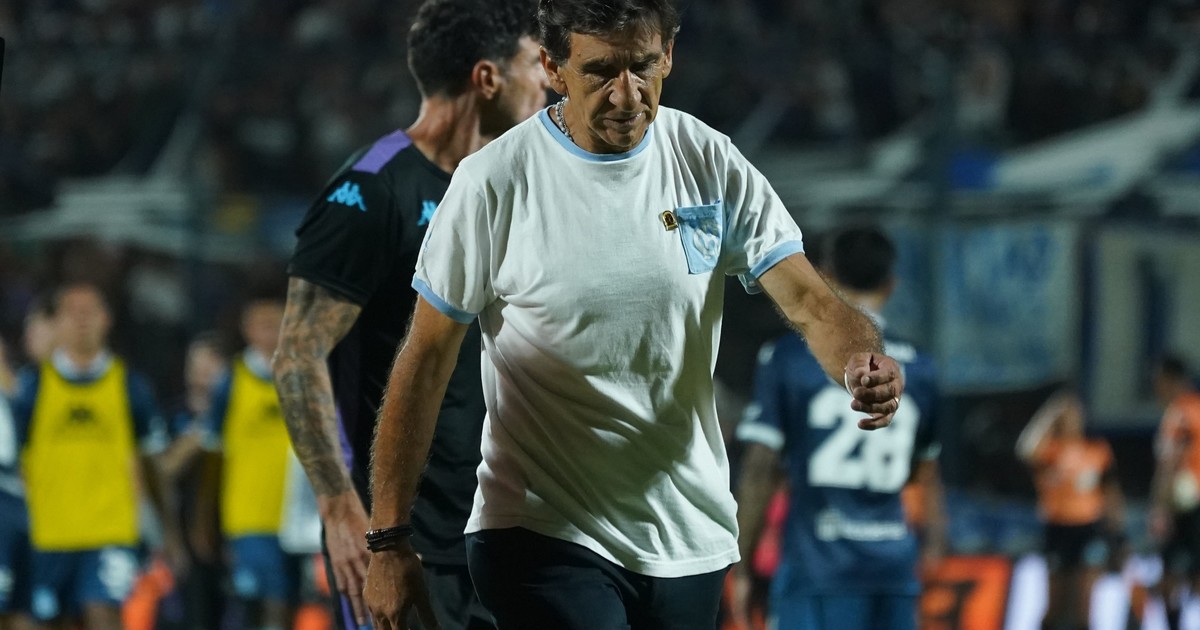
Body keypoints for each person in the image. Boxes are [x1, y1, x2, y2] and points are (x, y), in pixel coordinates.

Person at [361, 2, 906, 628]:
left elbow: (811, 301)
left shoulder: (708, 161)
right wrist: (388, 540)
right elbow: (425, 359)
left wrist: (861, 358)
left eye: (643, 66)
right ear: (553, 68)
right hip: (540, 529)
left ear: (668, 55)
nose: (627, 93)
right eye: (600, 71)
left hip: (688, 534)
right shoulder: (495, 181)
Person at [271, 1, 548, 627]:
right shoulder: (371, 189)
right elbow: (297, 354)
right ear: (488, 78)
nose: (549, 80)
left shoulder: (516, 186)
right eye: (536, 62)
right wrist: (339, 508)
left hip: (509, 530)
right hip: (402, 544)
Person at [730, 226, 944, 630]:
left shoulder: (789, 357)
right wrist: (933, 544)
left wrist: (742, 563)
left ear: (824, 277)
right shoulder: (920, 367)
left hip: (817, 568)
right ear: (890, 284)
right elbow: (926, 472)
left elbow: (761, 466)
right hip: (893, 571)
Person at [9, 283, 185, 630]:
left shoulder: (130, 386)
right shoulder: (32, 388)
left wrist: (169, 533)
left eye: (89, 311)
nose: (81, 320)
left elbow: (151, 465)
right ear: (57, 322)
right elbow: (16, 464)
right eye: (72, 312)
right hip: (49, 535)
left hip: (111, 531)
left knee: (103, 616)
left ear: (107, 319)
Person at [192, 298, 317, 630]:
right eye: (262, 324)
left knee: (293, 603)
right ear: (247, 329)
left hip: (299, 516)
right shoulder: (231, 381)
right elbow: (214, 453)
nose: (269, 331)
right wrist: (206, 516)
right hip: (250, 515)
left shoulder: (306, 376)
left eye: (276, 323)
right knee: (263, 604)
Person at [1016, 390, 1124, 630]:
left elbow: (1111, 494)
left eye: (1075, 413)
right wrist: (1049, 415)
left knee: (1085, 605)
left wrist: (1118, 536)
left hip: (1089, 530)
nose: (1072, 419)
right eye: (1065, 415)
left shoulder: (1097, 450)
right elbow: (1025, 449)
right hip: (1057, 530)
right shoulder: (1050, 451)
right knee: (1054, 606)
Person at [0, 300, 56, 630]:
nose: (28, 337)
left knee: (28, 611)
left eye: (36, 327)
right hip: (12, 507)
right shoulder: (21, 386)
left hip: (38, 514)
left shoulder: (30, 386)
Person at [1149, 354, 1200, 630]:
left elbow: (1169, 463)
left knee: (1170, 576)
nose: (1156, 387)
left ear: (1172, 380)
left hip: (1186, 506)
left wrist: (1159, 509)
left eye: (1159, 380)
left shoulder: (1179, 413)